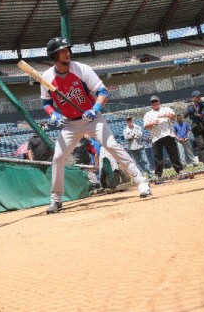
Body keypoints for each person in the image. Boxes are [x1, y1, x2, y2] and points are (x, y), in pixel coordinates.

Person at [40, 37, 151, 213]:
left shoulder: (82, 69)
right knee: (58, 158)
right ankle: (56, 199)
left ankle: (141, 182)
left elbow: (102, 92)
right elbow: (46, 103)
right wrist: (53, 114)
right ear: (54, 55)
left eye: (67, 49)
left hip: (92, 119)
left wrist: (95, 108)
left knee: (112, 145)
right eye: (62, 51)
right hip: (69, 124)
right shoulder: (46, 77)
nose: (67, 52)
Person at [143, 95, 184, 180]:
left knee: (173, 154)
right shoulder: (148, 114)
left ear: (159, 101)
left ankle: (180, 171)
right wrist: (153, 123)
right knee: (158, 157)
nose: (155, 103)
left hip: (168, 134)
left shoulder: (166, 109)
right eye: (153, 102)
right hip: (156, 137)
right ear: (151, 104)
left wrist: (164, 115)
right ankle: (158, 175)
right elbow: (145, 126)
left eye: (156, 101)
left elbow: (173, 115)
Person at [185, 90, 204, 163]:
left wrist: (203, 115)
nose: (199, 97)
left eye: (200, 96)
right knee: (201, 144)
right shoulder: (190, 106)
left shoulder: (203, 104)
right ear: (194, 98)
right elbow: (184, 116)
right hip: (196, 126)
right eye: (197, 96)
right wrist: (190, 108)